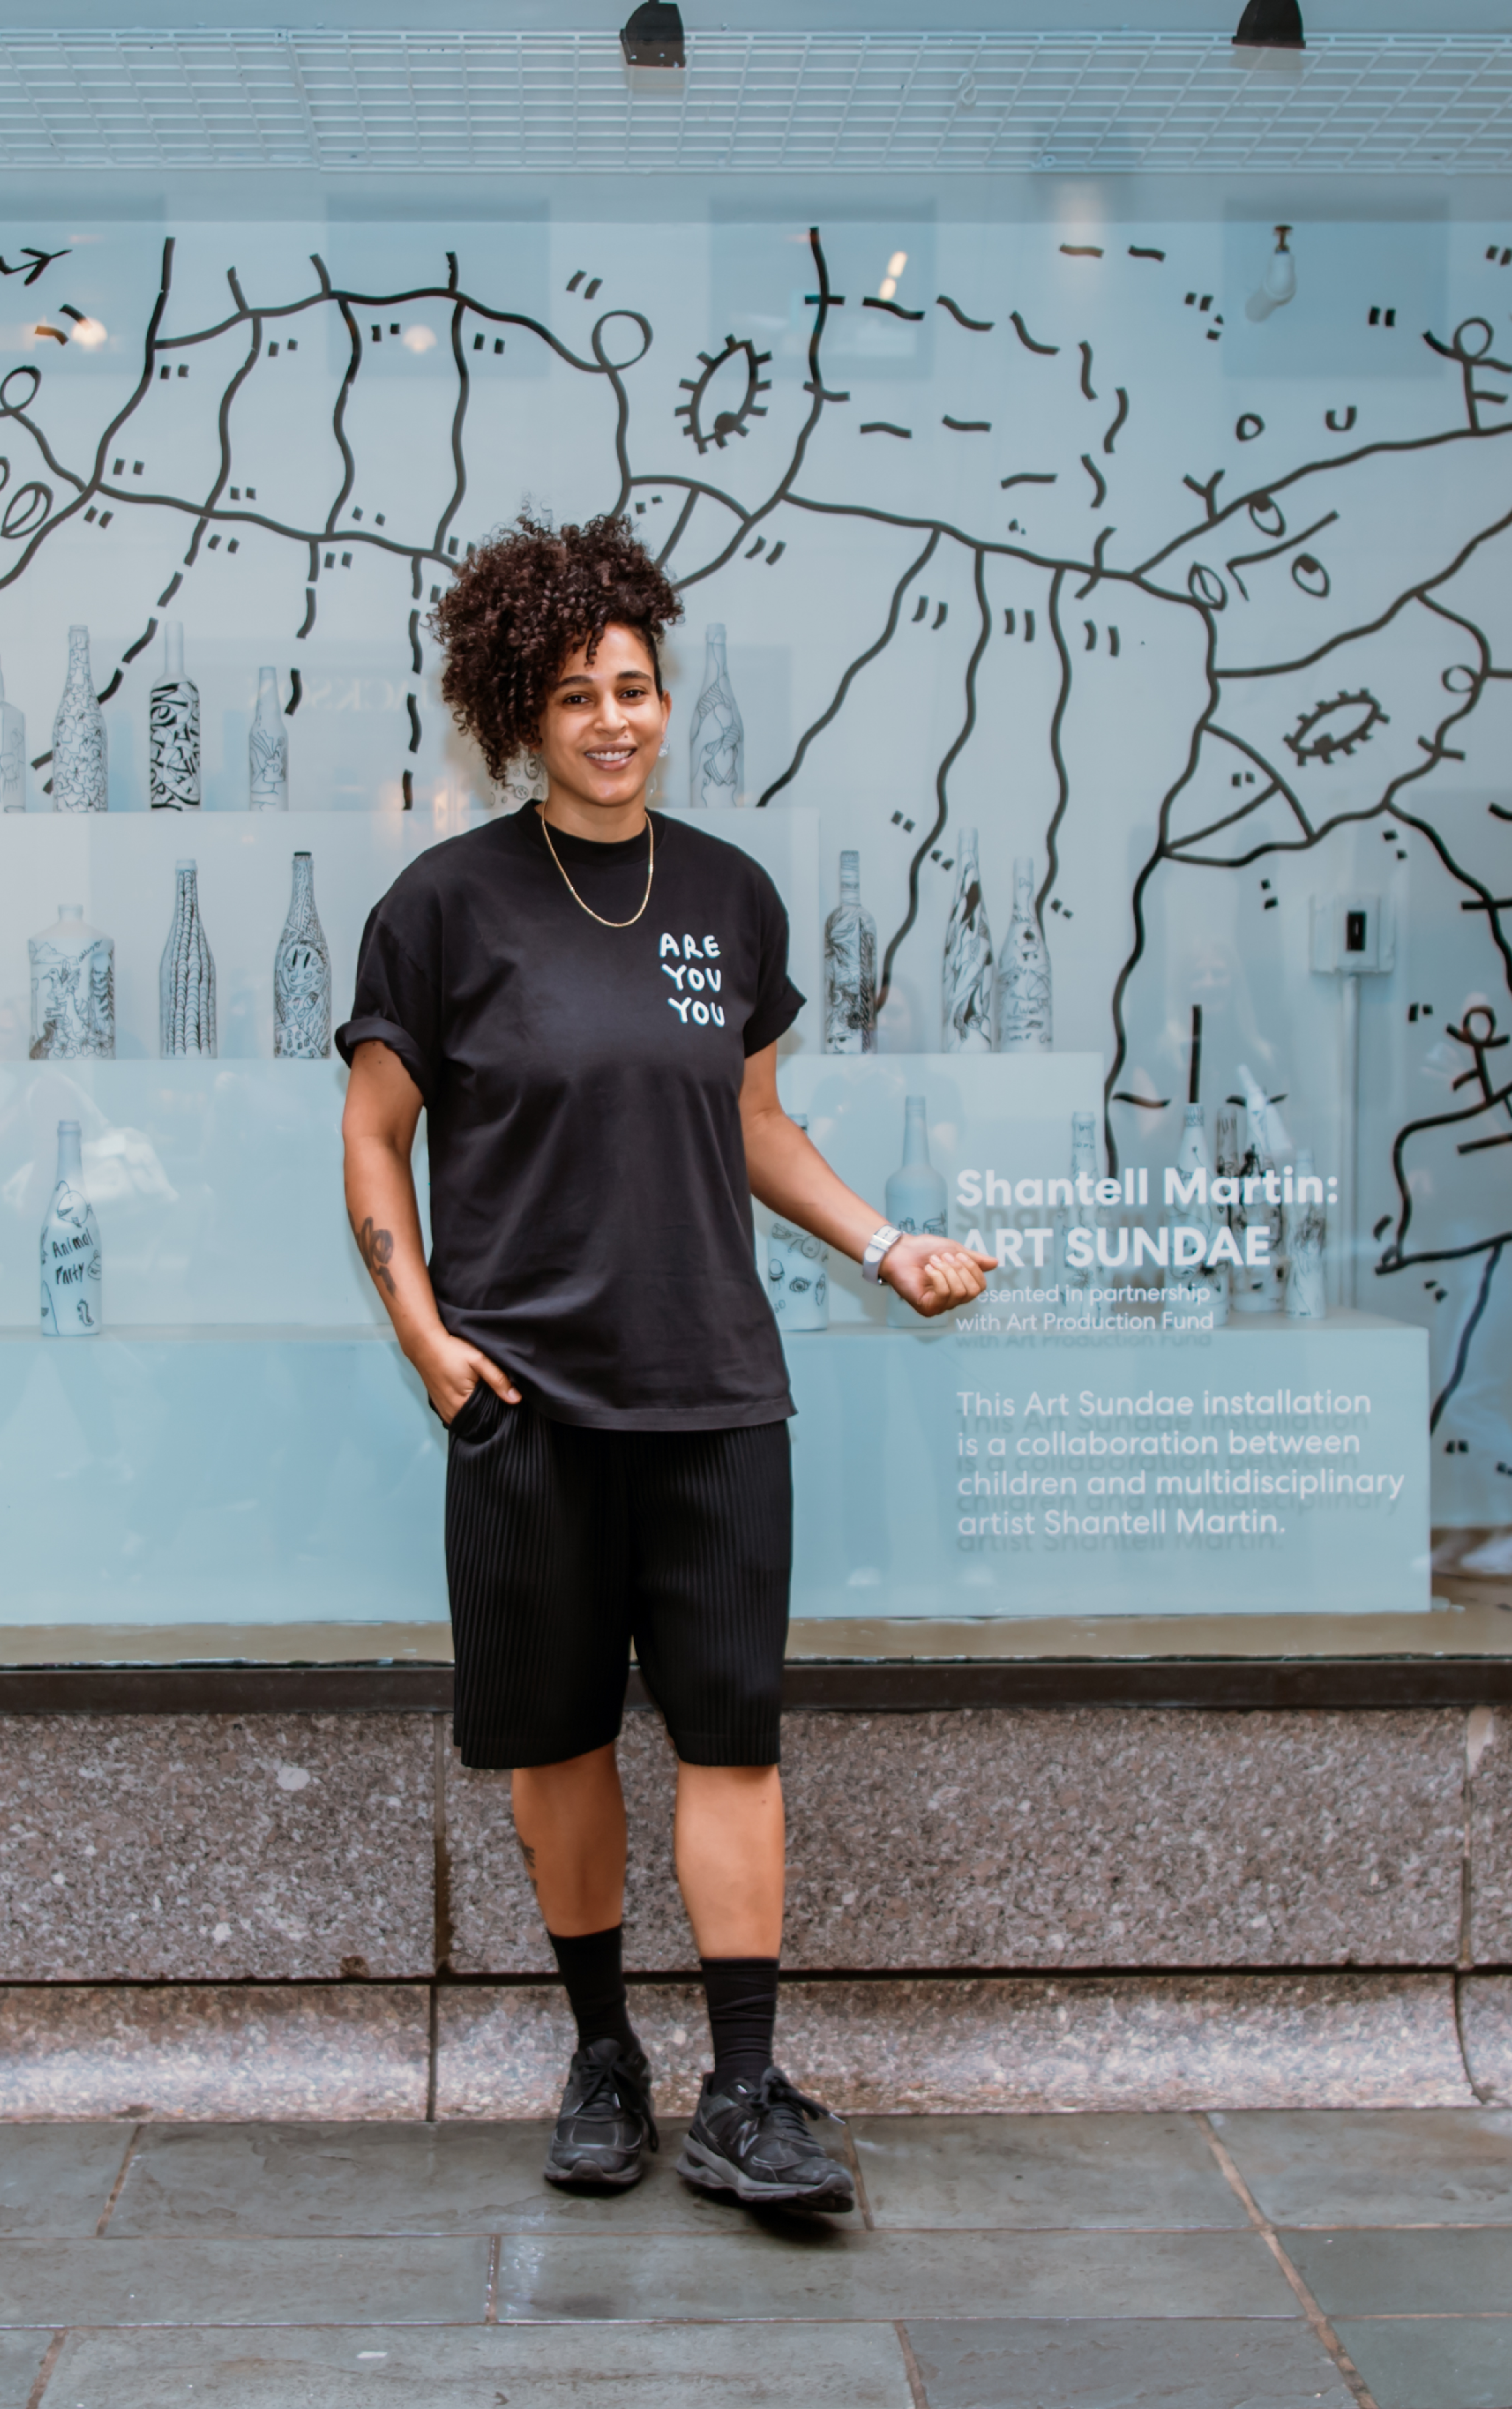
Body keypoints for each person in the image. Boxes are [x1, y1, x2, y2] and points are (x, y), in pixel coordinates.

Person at [338, 512, 992, 2213]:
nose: (617, 719)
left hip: (715, 1390)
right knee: (556, 1748)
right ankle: (603, 2057)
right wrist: (425, 1338)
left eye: (635, 687)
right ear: (519, 718)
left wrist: (884, 1242)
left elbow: (758, 1127)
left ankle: (749, 2091)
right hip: (527, 1407)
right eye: (577, 696)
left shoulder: (729, 895)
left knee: (733, 1743)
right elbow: (373, 1136)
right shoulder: (443, 907)